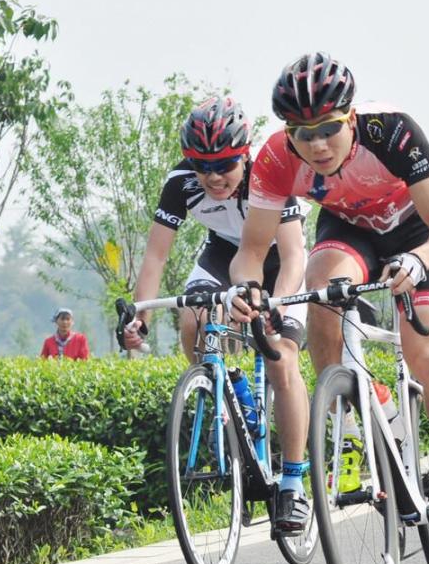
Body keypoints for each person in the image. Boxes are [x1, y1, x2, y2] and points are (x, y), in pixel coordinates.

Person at [230, 52, 429, 547]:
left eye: (329, 128)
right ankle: (350, 427)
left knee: (426, 358)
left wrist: (418, 261)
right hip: (350, 232)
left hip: (415, 235)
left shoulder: (390, 131)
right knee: (322, 293)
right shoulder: (274, 158)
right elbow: (250, 251)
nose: (318, 144)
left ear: (350, 118)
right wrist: (247, 290)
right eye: (303, 134)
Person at [125, 97, 311, 536]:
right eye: (200, 166)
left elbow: (292, 257)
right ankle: (227, 388)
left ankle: (293, 482)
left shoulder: (270, 174)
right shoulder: (181, 183)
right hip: (225, 252)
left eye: (225, 165)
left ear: (244, 155)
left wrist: (277, 306)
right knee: (192, 316)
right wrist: (140, 318)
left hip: (279, 261)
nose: (212, 177)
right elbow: (155, 256)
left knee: (283, 358)